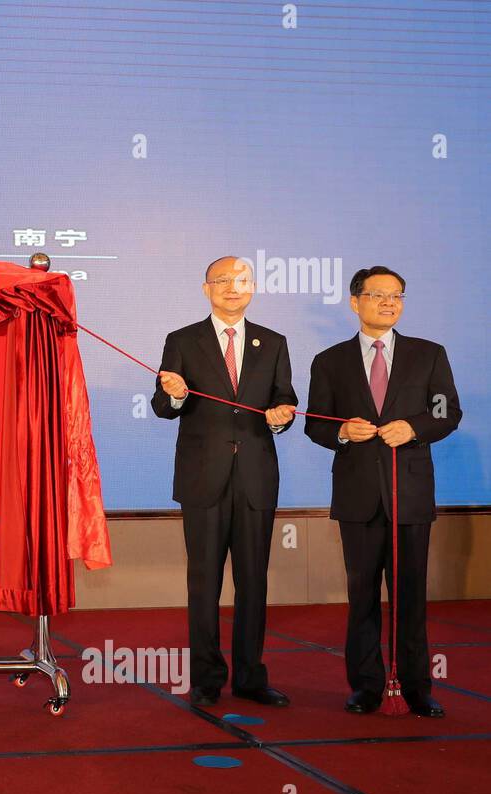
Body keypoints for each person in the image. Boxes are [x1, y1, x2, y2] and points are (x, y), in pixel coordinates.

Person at [305, 266, 460, 717]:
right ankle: (367, 685)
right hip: (358, 495)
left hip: (409, 493)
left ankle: (416, 687)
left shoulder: (428, 355)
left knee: (410, 596)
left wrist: (413, 427)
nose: (389, 303)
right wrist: (342, 433)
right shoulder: (329, 361)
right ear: (356, 302)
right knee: (363, 595)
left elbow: (447, 412)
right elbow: (317, 423)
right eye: (378, 295)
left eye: (397, 296)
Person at [152, 256, 298, 708]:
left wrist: (280, 417)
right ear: (206, 288)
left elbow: (285, 398)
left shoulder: (272, 342)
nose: (233, 288)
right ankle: (207, 676)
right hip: (203, 477)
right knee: (204, 580)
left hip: (255, 476)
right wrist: (174, 396)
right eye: (223, 281)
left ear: (252, 288)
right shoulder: (182, 340)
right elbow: (162, 403)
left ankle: (252, 676)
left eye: (241, 281)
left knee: (254, 580)